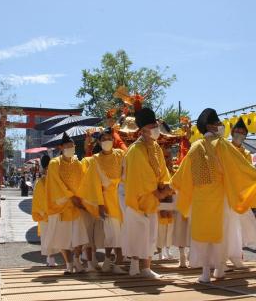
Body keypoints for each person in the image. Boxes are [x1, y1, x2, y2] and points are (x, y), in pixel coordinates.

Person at [170, 108, 256, 283]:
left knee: (202, 235)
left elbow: (183, 174)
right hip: (220, 198)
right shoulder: (222, 144)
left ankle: (206, 271)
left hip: (200, 200)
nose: (221, 126)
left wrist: (172, 185)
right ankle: (219, 269)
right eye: (217, 124)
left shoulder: (195, 147)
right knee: (221, 234)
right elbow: (239, 166)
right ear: (210, 126)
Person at [121, 107, 172, 279]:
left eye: (155, 124)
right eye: (152, 125)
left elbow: (162, 171)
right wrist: (158, 191)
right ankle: (138, 266)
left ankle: (145, 268)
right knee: (138, 233)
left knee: (149, 234)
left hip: (151, 197)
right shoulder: (136, 150)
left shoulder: (156, 146)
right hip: (139, 197)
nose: (156, 127)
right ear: (142, 130)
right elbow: (141, 175)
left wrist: (166, 185)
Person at [79, 127, 126, 274]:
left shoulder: (120, 154)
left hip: (122, 199)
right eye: (104, 139)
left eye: (109, 139)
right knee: (113, 234)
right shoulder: (95, 160)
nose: (107, 141)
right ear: (99, 142)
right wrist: (100, 205)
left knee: (121, 234)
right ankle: (114, 263)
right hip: (107, 202)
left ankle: (108, 262)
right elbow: (94, 185)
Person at [44, 132, 89, 275]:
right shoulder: (54, 163)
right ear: (61, 147)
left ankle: (76, 259)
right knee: (63, 238)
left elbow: (84, 181)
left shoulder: (78, 162)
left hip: (76, 205)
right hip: (62, 206)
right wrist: (70, 196)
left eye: (72, 146)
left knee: (80, 237)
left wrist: (82, 199)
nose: (71, 148)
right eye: (68, 146)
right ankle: (69, 264)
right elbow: (56, 183)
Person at [228, 117, 256, 266]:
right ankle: (225, 256)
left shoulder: (247, 153)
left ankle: (238, 255)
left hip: (241, 194)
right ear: (232, 132)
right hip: (228, 191)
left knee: (240, 227)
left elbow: (250, 172)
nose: (240, 134)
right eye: (237, 131)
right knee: (228, 226)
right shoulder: (226, 148)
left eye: (243, 132)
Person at [32, 155, 57, 266]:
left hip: (44, 213)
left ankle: (50, 258)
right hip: (52, 212)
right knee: (52, 235)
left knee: (48, 235)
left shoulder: (40, 182)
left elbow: (37, 199)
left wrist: (41, 211)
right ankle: (51, 258)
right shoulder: (53, 181)